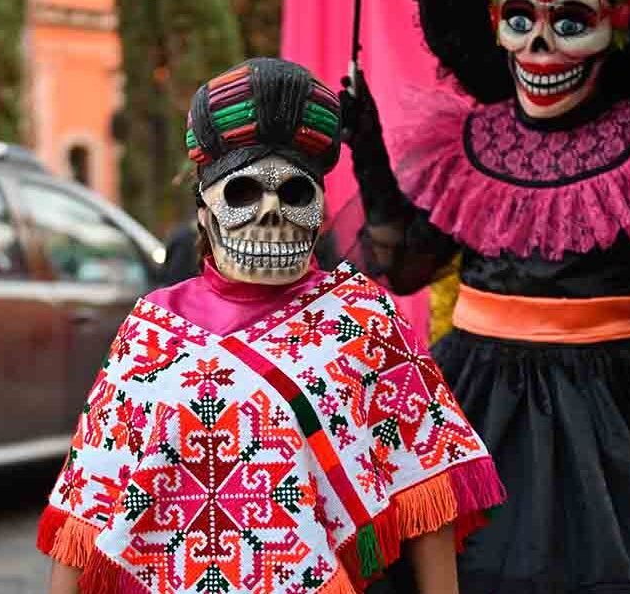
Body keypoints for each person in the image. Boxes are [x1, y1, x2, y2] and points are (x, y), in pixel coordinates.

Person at [334, 0, 630, 592]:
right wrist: (369, 155)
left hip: (605, 428)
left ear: (622, 29)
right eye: (519, 20)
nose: (538, 46)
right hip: (475, 412)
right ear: (491, 26)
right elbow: (410, 266)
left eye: (570, 22)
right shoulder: (471, 142)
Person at [37, 58, 505, 594]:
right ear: (206, 210)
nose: (270, 213)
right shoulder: (149, 331)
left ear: (320, 207)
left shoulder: (364, 320)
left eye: (295, 195)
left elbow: (427, 477)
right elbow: (89, 505)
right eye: (243, 194)